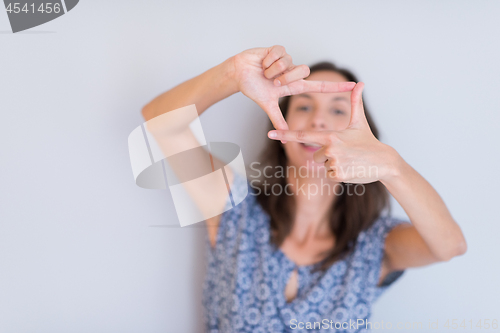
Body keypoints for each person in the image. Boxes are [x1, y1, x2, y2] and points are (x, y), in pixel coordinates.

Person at [141, 45, 467, 332]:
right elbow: (159, 120)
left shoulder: (377, 245)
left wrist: (392, 165)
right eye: (304, 106)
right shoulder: (235, 210)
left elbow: (450, 245)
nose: (318, 122)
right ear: (280, 128)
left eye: (338, 110)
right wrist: (233, 74)